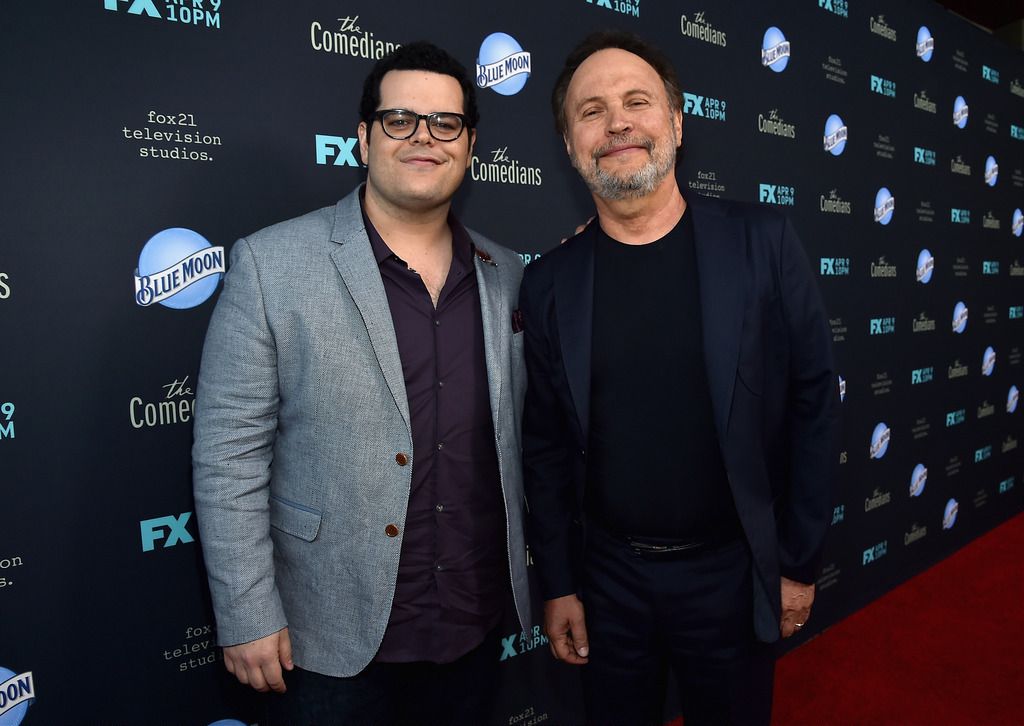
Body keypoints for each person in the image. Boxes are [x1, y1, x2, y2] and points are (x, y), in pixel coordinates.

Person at [192, 41, 530, 725]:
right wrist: (246, 611)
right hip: (329, 643)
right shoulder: (272, 264)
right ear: (363, 138)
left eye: (445, 123)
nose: (423, 138)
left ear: (469, 145)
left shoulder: (510, 274)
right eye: (400, 118)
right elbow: (228, 455)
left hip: (473, 630)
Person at [519, 31, 840, 726]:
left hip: (733, 571)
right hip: (608, 583)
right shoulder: (548, 284)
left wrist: (797, 564)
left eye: (637, 101)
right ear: (572, 145)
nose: (618, 123)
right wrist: (561, 584)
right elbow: (544, 445)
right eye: (591, 111)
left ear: (677, 121)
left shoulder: (763, 243)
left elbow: (815, 401)